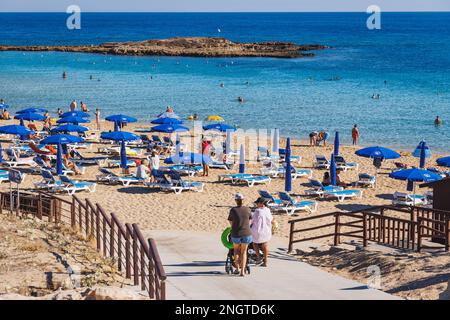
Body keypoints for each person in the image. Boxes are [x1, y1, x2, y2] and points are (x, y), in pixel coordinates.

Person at [228, 193, 252, 277]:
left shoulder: (233, 210)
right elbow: (250, 221)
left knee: (236, 250)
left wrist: (233, 227)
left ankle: (237, 268)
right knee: (244, 252)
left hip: (236, 233)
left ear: (235, 200)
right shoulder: (248, 209)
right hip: (246, 233)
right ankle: (242, 271)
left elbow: (231, 221)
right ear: (243, 200)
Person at [251, 198, 274, 267]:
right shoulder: (267, 210)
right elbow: (271, 219)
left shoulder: (257, 211)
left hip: (257, 230)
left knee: (254, 243)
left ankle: (259, 258)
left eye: (257, 203)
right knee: (265, 244)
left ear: (261, 203)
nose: (256, 204)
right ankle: (266, 261)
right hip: (266, 230)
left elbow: (252, 220)